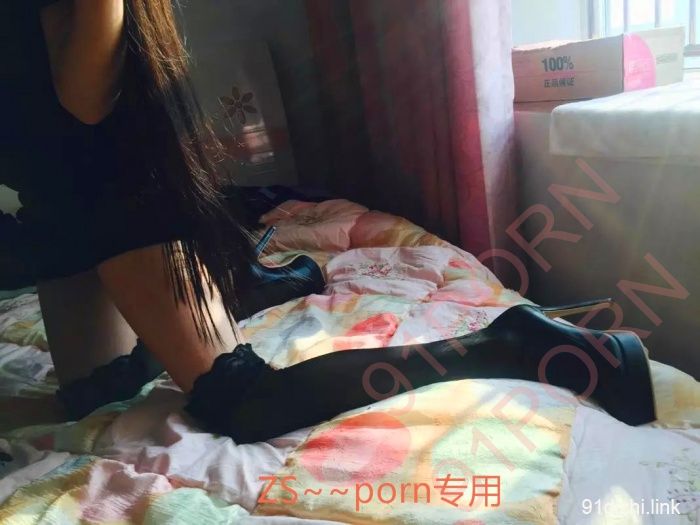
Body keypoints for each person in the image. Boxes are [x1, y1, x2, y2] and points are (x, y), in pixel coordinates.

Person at [0, 0, 656, 445]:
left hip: (113, 194)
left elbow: (86, 103)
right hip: (52, 198)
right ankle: (250, 285)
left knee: (240, 401)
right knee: (97, 394)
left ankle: (517, 340)